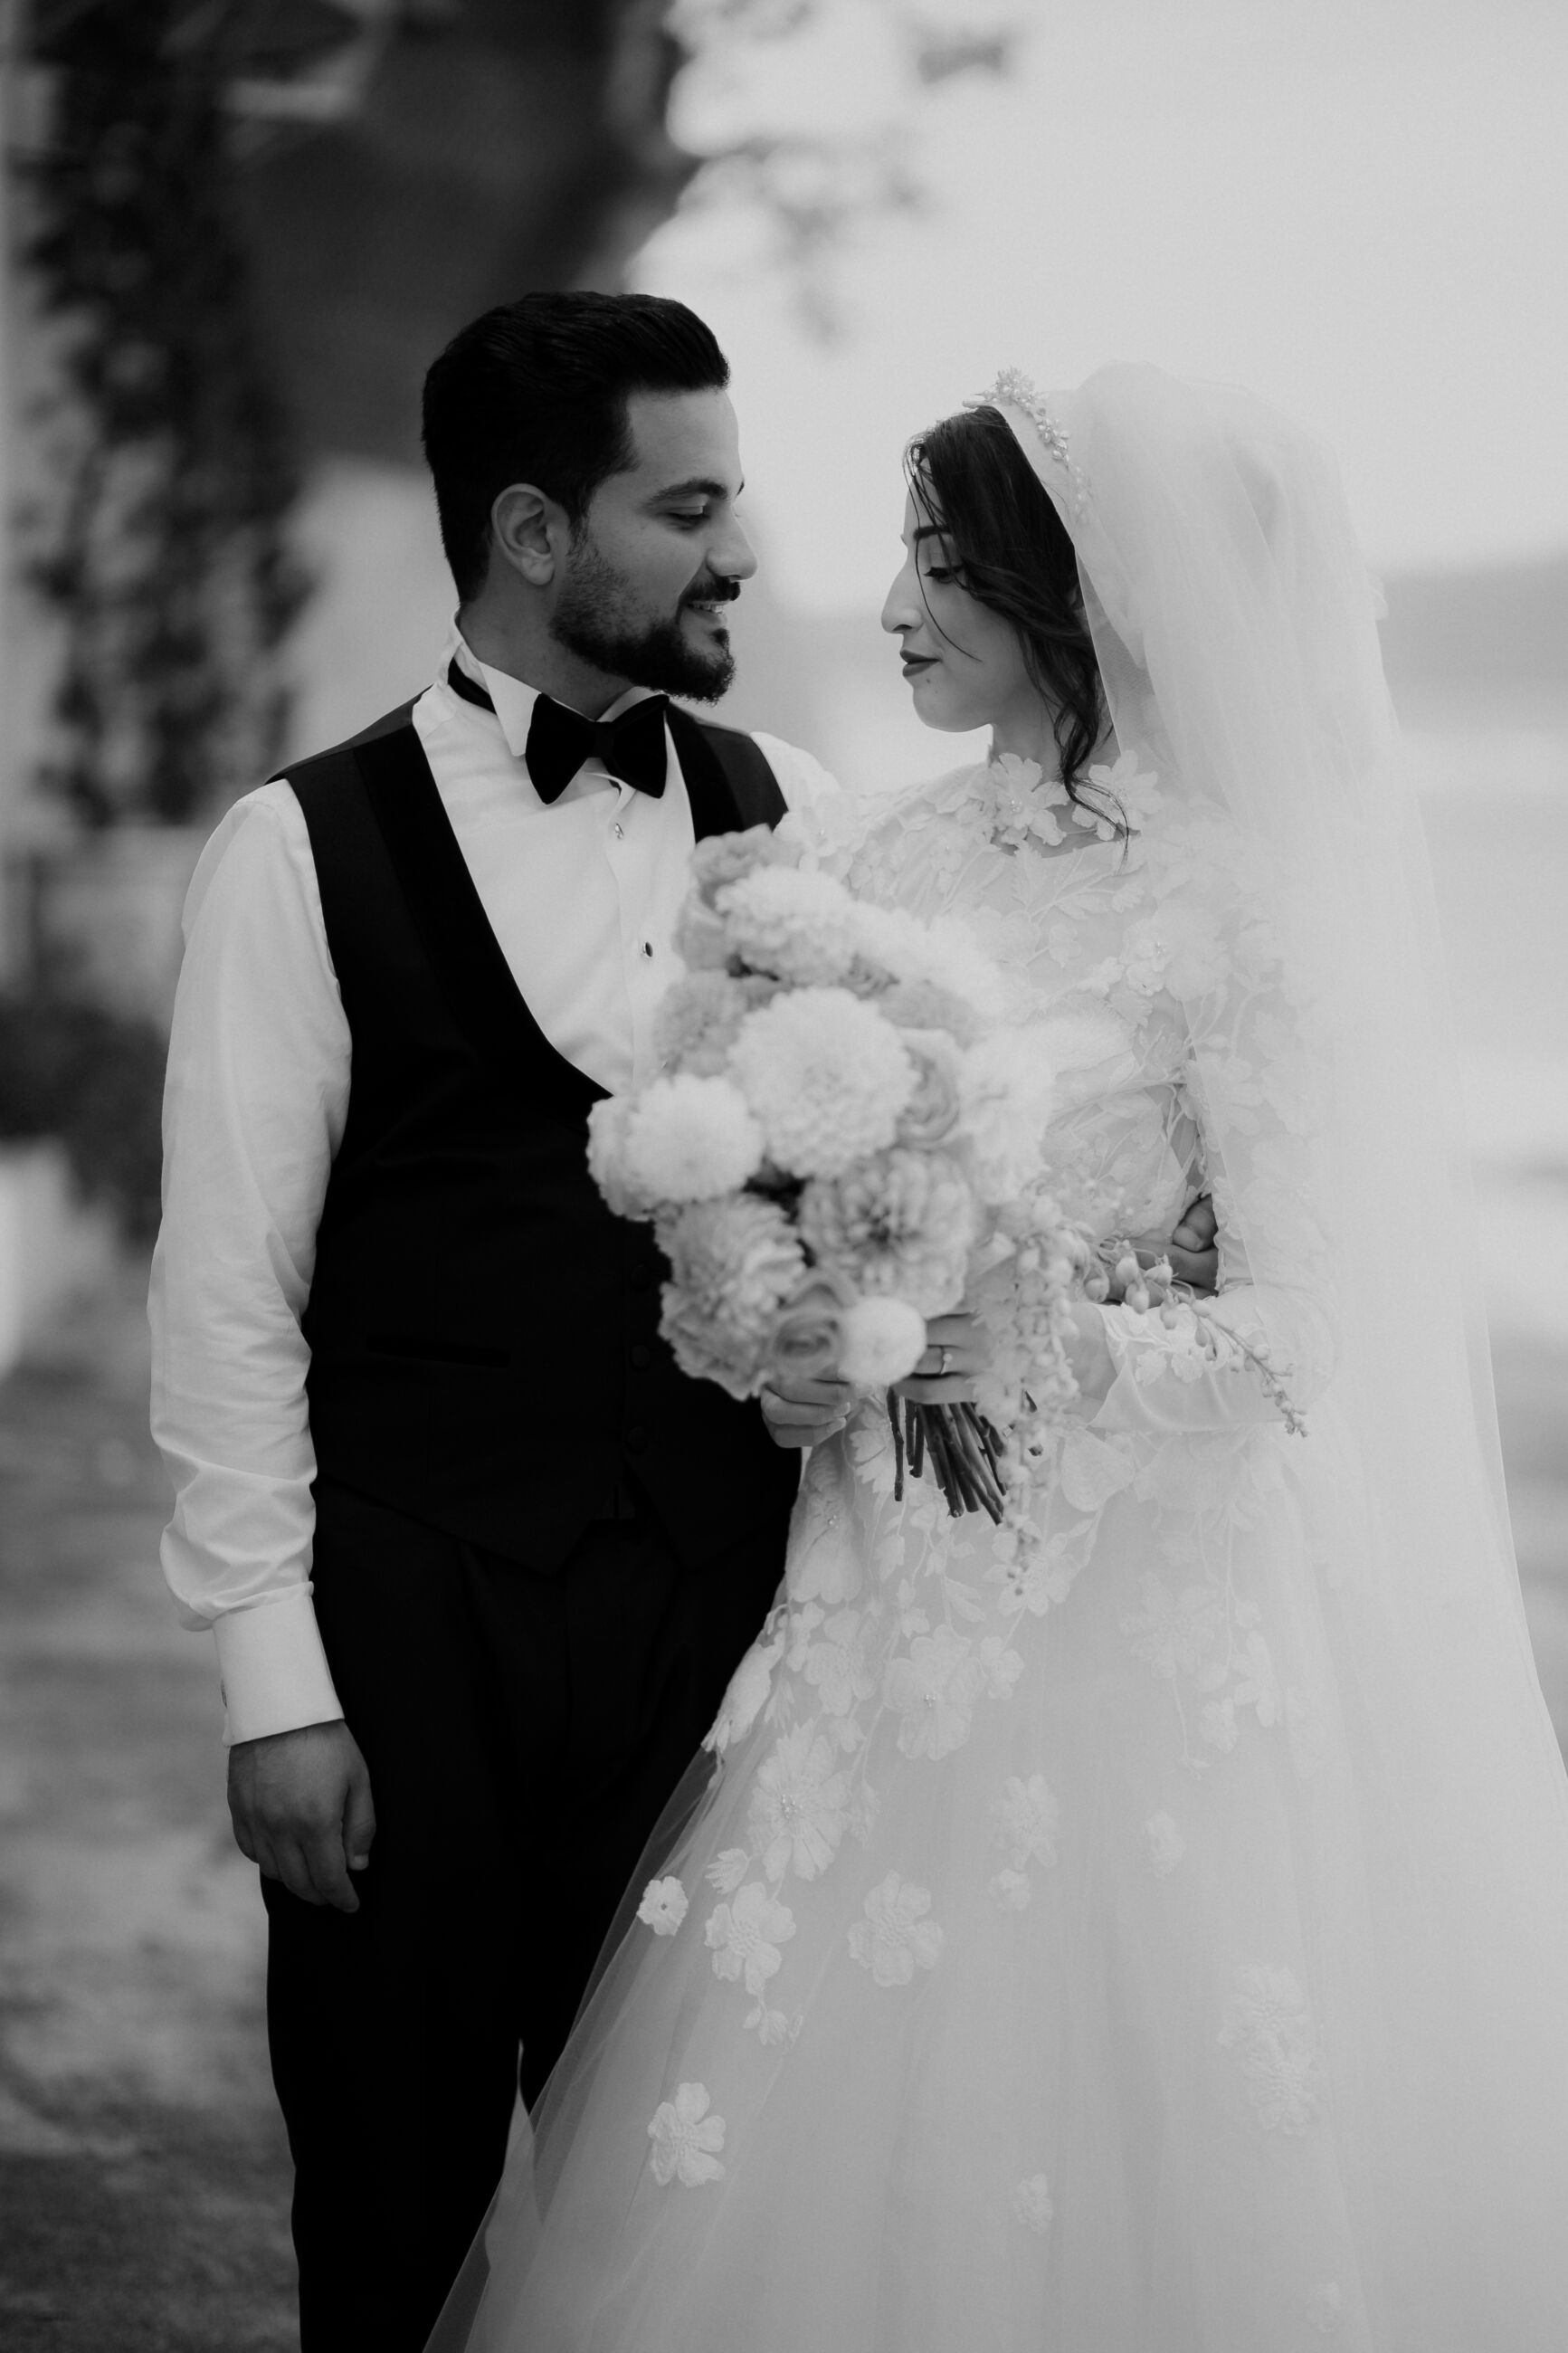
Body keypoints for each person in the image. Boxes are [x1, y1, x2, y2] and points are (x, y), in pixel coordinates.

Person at [427, 366, 1568, 2353]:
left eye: (944, 564)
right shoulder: (859, 861)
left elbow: (1304, 1332)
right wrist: (793, 1326)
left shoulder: (1234, 914)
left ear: (1077, 595)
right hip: (875, 1589)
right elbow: (786, 1178)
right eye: (903, 553)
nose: (893, 603)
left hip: (1132, 1620)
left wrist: (1051, 1333)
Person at [150, 290, 854, 2350]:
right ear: (535, 533)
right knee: (394, 2218)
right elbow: (228, 1293)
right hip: (411, 1645)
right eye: (687, 509)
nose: (739, 554)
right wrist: (274, 1690)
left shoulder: (804, 813)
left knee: (693, 2231)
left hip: (722, 1638)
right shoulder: (295, 849)